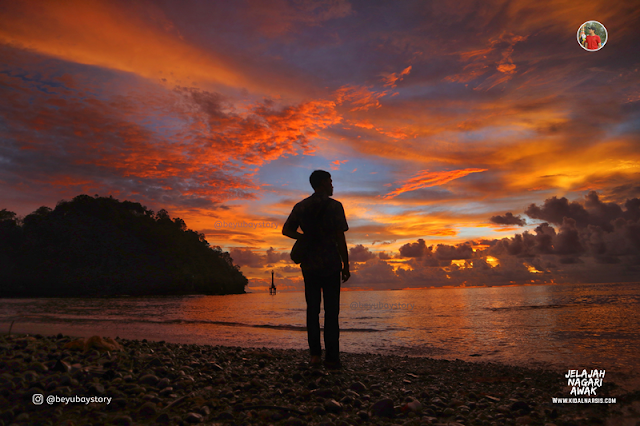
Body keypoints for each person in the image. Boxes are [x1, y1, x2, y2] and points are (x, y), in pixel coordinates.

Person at [283, 170, 350, 369]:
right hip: (330, 264)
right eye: (330, 181)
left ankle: (314, 356)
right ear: (321, 183)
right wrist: (346, 265)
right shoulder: (335, 206)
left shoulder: (301, 206)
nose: (332, 185)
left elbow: (286, 230)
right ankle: (332, 357)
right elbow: (340, 239)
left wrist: (304, 238)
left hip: (310, 265)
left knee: (312, 310)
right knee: (331, 312)